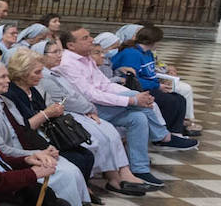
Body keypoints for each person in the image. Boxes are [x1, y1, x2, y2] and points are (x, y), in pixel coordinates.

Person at [56, 27, 194, 188]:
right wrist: (132, 100)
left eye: (90, 36)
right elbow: (90, 95)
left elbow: (106, 85)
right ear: (71, 45)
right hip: (87, 109)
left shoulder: (85, 59)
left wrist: (133, 94)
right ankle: (163, 137)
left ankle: (140, 169)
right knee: (142, 103)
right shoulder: (68, 63)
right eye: (85, 38)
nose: (91, 40)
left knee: (138, 118)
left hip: (103, 104)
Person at [10, 47, 148, 196]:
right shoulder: (13, 93)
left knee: (87, 153)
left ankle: (86, 190)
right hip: (33, 136)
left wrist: (58, 110)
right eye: (37, 72)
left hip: (49, 129)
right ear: (23, 73)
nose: (41, 76)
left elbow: (75, 95)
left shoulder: (35, 89)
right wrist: (48, 113)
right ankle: (74, 199)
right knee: (78, 156)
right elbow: (24, 126)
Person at [0, 63, 91, 206]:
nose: (8, 80)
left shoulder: (5, 101)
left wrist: (44, 149)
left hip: (23, 151)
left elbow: (23, 131)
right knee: (63, 173)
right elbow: (1, 148)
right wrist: (34, 154)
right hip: (9, 159)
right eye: (2, 77)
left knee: (69, 167)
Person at [113, 26, 193, 136]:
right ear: (153, 41)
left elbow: (150, 74)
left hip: (149, 86)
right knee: (170, 101)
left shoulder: (148, 53)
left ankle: (175, 132)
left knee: (180, 99)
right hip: (138, 89)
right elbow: (130, 79)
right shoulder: (132, 54)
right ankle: (164, 136)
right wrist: (157, 86)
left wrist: (160, 82)